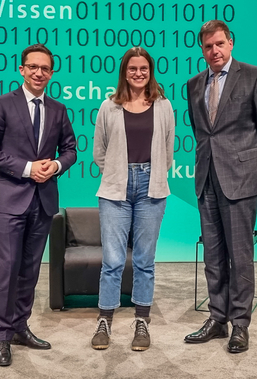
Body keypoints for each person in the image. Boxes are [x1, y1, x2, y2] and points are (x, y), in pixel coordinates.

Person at [0, 43, 77, 367]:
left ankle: (20, 326)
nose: (38, 73)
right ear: (22, 69)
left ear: (51, 73)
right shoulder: (2, 104)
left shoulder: (59, 110)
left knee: (30, 270)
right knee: (6, 270)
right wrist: (26, 167)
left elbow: (71, 149)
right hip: (9, 199)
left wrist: (57, 165)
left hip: (43, 201)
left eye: (45, 68)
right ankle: (2, 337)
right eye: (33, 67)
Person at [183, 20, 257, 353]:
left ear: (231, 43)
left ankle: (240, 324)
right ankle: (217, 318)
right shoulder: (193, 84)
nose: (215, 51)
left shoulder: (255, 76)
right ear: (203, 49)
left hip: (241, 179)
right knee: (213, 255)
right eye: (208, 46)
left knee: (240, 256)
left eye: (220, 44)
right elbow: (202, 132)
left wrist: (253, 169)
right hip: (206, 177)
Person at [90, 47, 175, 352]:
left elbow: (167, 151)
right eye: (132, 69)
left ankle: (142, 320)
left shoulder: (163, 106)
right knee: (112, 261)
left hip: (151, 188)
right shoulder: (108, 107)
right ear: (124, 72)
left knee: (144, 261)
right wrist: (117, 173)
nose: (138, 73)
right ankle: (105, 320)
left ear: (150, 71)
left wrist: (147, 174)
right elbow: (99, 151)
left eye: (143, 69)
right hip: (115, 190)